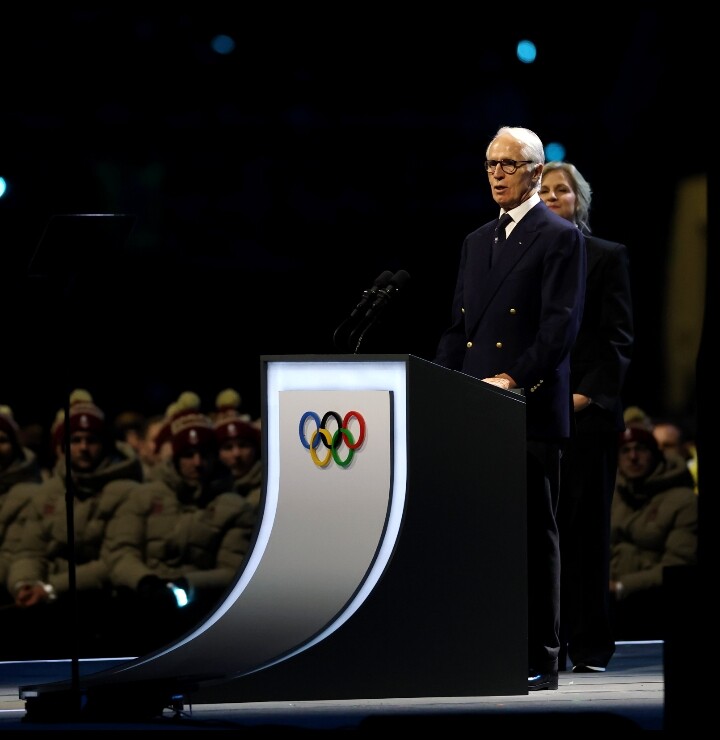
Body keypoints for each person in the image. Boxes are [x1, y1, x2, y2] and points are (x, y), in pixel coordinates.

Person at [433, 126, 586, 691]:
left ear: (536, 172)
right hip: (477, 407)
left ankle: (540, 654)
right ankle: (483, 645)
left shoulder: (559, 236)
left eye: (509, 165)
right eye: (491, 164)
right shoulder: (477, 241)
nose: (497, 174)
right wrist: (441, 383)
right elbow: (460, 327)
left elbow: (558, 328)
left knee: (532, 536)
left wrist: (514, 378)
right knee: (480, 533)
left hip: (528, 406)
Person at [538, 161, 634, 673]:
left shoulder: (605, 257)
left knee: (586, 535)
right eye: (544, 190)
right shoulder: (525, 260)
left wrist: (582, 396)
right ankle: (541, 645)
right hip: (537, 417)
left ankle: (591, 645)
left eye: (563, 190)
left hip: (586, 419)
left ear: (580, 200)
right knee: (540, 536)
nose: (553, 196)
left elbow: (617, 340)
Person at [102, 396, 255, 656]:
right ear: (175, 457)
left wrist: (187, 583)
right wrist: (145, 581)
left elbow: (233, 568)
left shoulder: (234, 506)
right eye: (188, 454)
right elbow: (120, 550)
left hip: (199, 613)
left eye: (204, 454)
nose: (197, 462)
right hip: (142, 607)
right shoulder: (143, 497)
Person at [0, 389, 144, 659]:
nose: (83, 448)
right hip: (48, 604)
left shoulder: (127, 490)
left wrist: (50, 588)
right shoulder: (48, 492)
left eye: (91, 440)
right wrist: (24, 583)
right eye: (75, 440)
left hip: (101, 605)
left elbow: (113, 561)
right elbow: (29, 551)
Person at [610, 426, 698, 640]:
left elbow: (678, 565)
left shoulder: (684, 500)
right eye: (625, 450)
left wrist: (621, 586)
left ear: (655, 454)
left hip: (655, 606)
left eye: (641, 449)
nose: (633, 457)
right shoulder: (612, 494)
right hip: (606, 605)